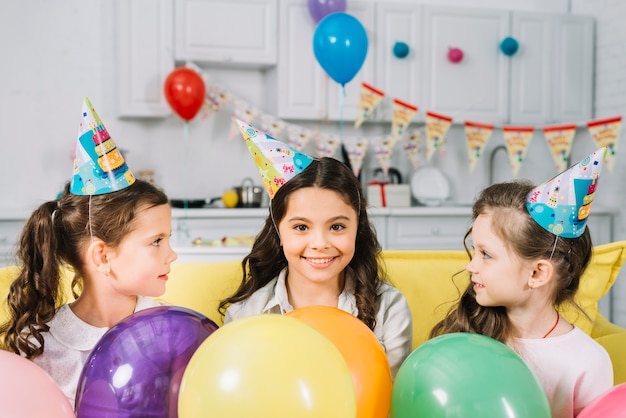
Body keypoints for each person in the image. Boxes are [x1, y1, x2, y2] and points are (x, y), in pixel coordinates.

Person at [0, 98, 177, 407]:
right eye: (156, 241)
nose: (172, 254)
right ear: (102, 256)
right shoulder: (43, 345)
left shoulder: (171, 330)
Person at [219, 120, 413, 378]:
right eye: (301, 227)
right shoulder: (246, 315)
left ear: (358, 228)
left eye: (336, 227)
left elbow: (388, 401)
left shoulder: (389, 308)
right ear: (279, 232)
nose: (320, 243)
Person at [430, 148, 613, 418]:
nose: (471, 266)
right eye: (475, 251)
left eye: (487, 255)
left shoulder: (587, 361)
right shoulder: (466, 333)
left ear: (537, 274)